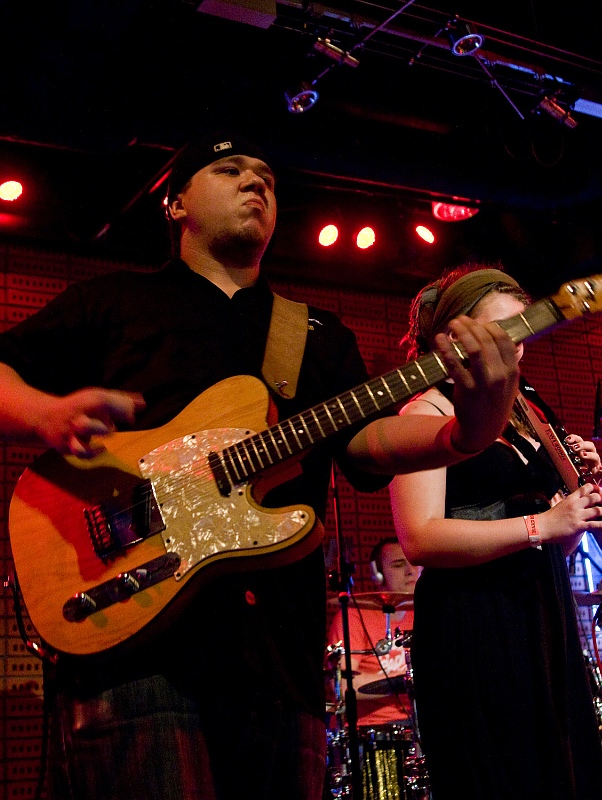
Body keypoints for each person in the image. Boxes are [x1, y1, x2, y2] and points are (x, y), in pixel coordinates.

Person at [0, 133, 520, 800]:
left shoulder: (318, 333)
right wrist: (45, 412)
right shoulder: (112, 303)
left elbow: (365, 447)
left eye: (268, 178)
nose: (257, 184)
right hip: (132, 647)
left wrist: (467, 431)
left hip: (279, 656)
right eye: (231, 170)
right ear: (176, 203)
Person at [389, 265, 602, 800]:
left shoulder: (525, 415)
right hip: (473, 620)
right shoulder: (426, 409)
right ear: (458, 335)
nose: (518, 346)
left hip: (540, 613)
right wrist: (543, 522)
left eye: (526, 329)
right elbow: (419, 538)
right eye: (505, 331)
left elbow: (558, 541)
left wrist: (572, 505)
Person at [327, 538, 420, 727]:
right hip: (375, 729)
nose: (410, 571)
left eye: (414, 563)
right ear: (378, 574)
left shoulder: (428, 613)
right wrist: (406, 680)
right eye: (398, 565)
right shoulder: (355, 615)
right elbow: (343, 685)